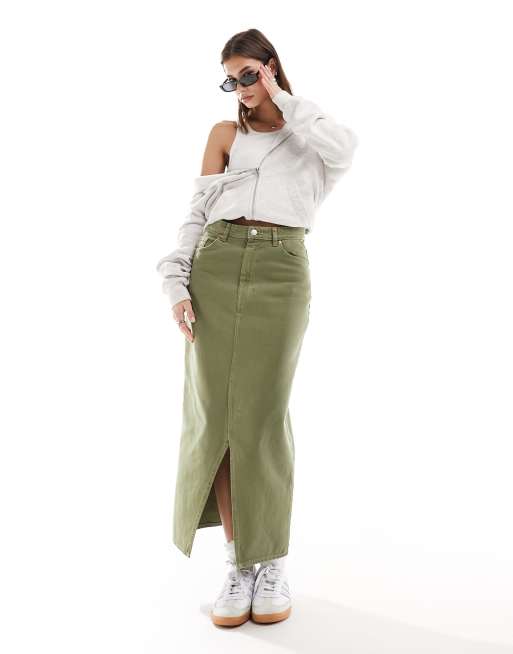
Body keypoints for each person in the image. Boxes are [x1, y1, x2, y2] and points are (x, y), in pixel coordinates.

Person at [156, 28, 358, 627]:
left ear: (271, 68)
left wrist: (283, 98)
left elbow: (346, 149)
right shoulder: (224, 135)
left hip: (282, 268)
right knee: (216, 415)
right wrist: (177, 281)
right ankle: (239, 562)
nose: (240, 88)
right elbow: (198, 211)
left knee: (264, 416)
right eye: (231, 80)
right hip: (216, 265)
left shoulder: (310, 134)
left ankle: (271, 561)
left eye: (249, 75)